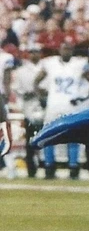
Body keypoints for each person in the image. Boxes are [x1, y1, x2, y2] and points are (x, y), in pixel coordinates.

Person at [34, 41, 89, 179]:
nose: (67, 51)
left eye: (69, 49)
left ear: (73, 50)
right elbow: (36, 81)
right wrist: (41, 96)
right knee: (48, 136)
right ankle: (49, 167)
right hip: (53, 105)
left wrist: (83, 98)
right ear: (59, 50)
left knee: (73, 137)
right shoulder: (50, 63)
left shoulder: (80, 64)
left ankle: (73, 167)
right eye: (64, 48)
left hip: (72, 105)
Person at [10, 45, 45, 178]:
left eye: (35, 52)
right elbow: (17, 89)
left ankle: (47, 166)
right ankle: (31, 168)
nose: (33, 54)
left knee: (47, 138)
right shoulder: (22, 70)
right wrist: (26, 93)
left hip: (45, 107)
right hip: (29, 108)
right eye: (31, 52)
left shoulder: (46, 67)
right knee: (30, 140)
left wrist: (42, 94)